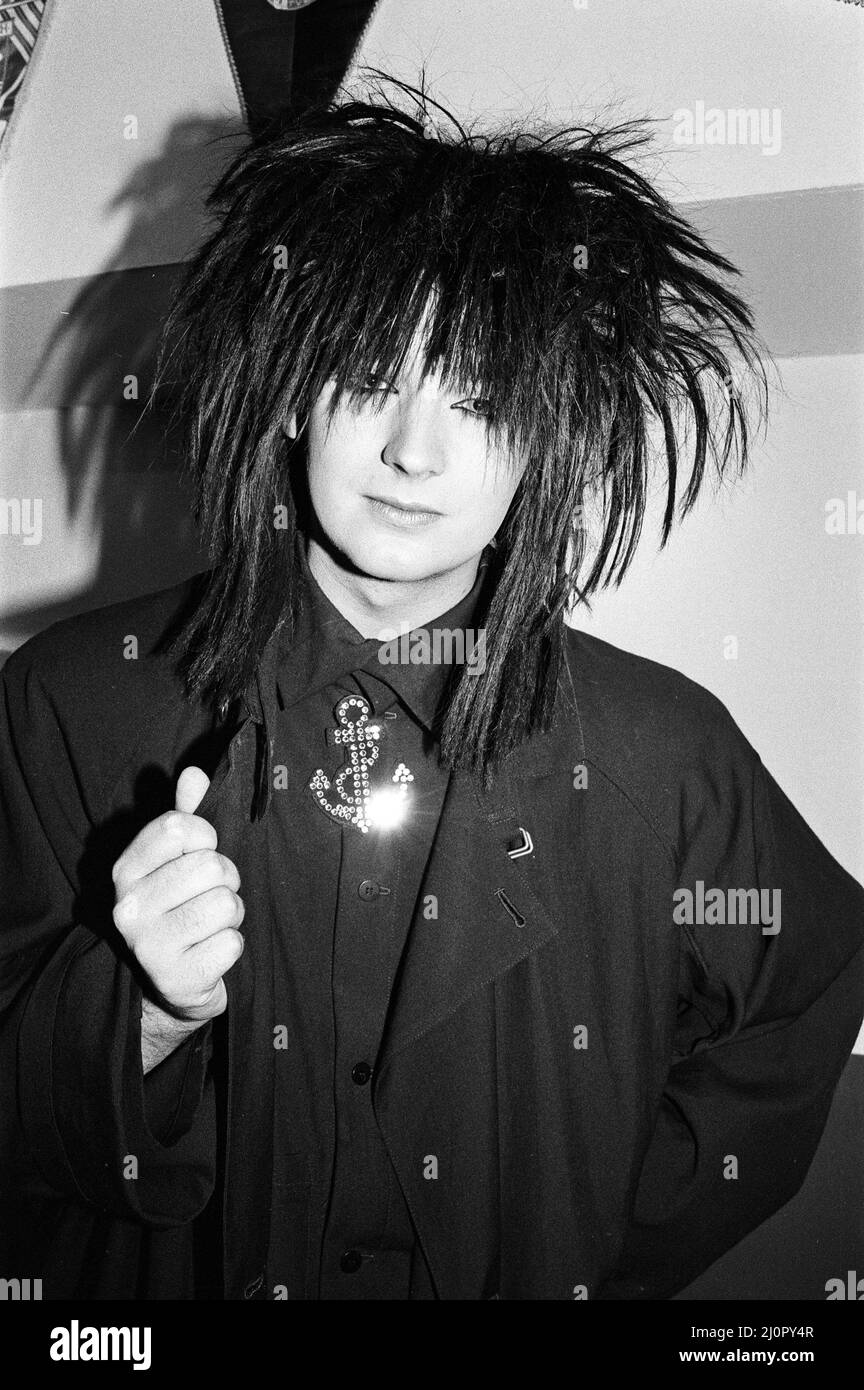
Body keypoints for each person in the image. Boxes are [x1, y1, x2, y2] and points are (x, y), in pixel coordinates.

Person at [1, 78, 862, 1301]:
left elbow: (806, 988)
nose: (415, 449)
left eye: (481, 395)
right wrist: (136, 1017)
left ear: (543, 435)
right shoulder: (71, 705)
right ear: (293, 392)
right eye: (366, 374)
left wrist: (595, 1222)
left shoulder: (659, 751)